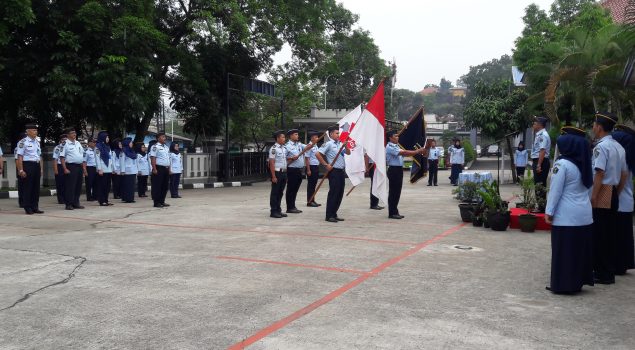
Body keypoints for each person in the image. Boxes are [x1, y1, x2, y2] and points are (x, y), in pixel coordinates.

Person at [544, 126, 594, 294]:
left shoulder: (562, 164)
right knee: (577, 252)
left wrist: (549, 212)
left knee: (563, 251)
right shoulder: (585, 164)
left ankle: (563, 285)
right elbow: (589, 189)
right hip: (584, 215)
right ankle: (576, 282)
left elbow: (555, 191)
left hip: (565, 216)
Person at [591, 112, 627, 285]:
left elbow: (599, 173)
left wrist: (594, 196)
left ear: (599, 127)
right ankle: (608, 271)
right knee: (610, 234)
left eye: (594, 124)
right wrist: (616, 192)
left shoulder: (601, 147)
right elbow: (624, 174)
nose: (593, 127)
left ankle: (602, 273)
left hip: (602, 191)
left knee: (599, 234)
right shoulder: (619, 147)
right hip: (612, 191)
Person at [386, 130, 428, 219]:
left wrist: (418, 151)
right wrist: (417, 151)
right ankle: (392, 212)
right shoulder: (390, 146)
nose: (398, 137)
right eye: (395, 136)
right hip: (393, 170)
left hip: (398, 170)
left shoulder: (396, 146)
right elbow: (404, 153)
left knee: (397, 192)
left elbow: (405, 153)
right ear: (390, 138)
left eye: (398, 136)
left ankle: (394, 211)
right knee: (393, 192)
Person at [611, 125, 635, 276]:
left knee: (617, 237)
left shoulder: (622, 158)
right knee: (625, 236)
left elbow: (621, 179)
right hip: (627, 202)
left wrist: (614, 195)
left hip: (620, 201)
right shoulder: (629, 157)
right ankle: (624, 264)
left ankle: (618, 265)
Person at [316, 125, 351, 223]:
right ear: (331, 134)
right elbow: (318, 154)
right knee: (334, 193)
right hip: (334, 171)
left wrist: (346, 146)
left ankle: (334, 214)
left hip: (341, 172)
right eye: (336, 133)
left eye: (338, 133)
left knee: (339, 193)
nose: (338, 135)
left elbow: (348, 153)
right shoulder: (329, 144)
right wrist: (325, 164)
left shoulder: (340, 144)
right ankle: (329, 215)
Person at [16, 124, 43, 215]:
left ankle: (35, 206)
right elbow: (20, 156)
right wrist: (21, 170)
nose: (36, 132)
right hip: (28, 165)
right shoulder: (23, 142)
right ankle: (27, 207)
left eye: (36, 130)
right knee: (28, 187)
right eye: (33, 130)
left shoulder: (37, 142)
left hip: (36, 165)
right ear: (27, 132)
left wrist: (41, 168)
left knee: (36, 188)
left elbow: (39, 156)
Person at [284, 129, 314, 213]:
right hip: (292, 170)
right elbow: (283, 158)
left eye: (297, 134)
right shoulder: (287, 146)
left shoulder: (299, 144)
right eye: (296, 134)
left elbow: (308, 147)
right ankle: (289, 207)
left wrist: (313, 141)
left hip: (299, 170)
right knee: (291, 189)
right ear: (291, 136)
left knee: (295, 189)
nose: (297, 136)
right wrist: (291, 158)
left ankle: (293, 206)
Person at [60, 128, 85, 210]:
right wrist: (65, 168)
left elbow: (81, 154)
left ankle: (76, 202)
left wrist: (83, 167)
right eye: (72, 133)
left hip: (79, 166)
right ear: (68, 135)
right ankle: (69, 204)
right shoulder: (65, 144)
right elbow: (62, 157)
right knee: (70, 186)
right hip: (71, 166)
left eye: (75, 133)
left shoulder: (78, 143)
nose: (74, 134)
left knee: (78, 185)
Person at [269, 130, 288, 218]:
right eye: (283, 137)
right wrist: (273, 176)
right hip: (277, 173)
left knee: (280, 192)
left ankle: (278, 210)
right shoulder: (273, 149)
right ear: (277, 138)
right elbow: (271, 163)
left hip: (284, 172)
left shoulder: (283, 148)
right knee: (275, 193)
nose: (284, 139)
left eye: (284, 137)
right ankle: (273, 211)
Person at [532, 116, 552, 202]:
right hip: (540, 160)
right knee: (538, 184)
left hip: (541, 161)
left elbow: (542, 150)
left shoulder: (543, 135)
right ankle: (540, 205)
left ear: (540, 125)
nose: (533, 125)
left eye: (535, 123)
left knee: (540, 184)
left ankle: (541, 207)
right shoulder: (540, 135)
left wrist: (539, 165)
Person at [150, 132, 171, 208]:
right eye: (163, 137)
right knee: (157, 186)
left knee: (165, 186)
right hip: (159, 168)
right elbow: (153, 158)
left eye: (165, 137)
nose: (164, 138)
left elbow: (168, 159)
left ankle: (162, 201)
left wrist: (169, 169)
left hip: (166, 168)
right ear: (158, 138)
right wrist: (154, 168)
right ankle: (156, 202)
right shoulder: (155, 147)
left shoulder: (166, 147)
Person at [95, 131, 114, 206]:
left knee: (107, 186)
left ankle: (106, 200)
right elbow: (97, 158)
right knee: (101, 186)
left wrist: (112, 168)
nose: (108, 138)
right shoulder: (98, 147)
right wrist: (99, 169)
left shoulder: (108, 146)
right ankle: (101, 200)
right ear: (103, 137)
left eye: (108, 137)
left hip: (108, 169)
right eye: (107, 137)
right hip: (102, 169)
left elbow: (110, 158)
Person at [305, 131, 322, 207]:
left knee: (314, 185)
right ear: (312, 138)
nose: (317, 138)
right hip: (311, 167)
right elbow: (307, 158)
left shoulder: (315, 146)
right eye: (316, 137)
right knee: (311, 185)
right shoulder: (309, 146)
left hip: (315, 166)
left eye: (317, 137)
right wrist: (308, 170)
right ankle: (309, 201)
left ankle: (313, 200)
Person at [120, 137, 138, 203]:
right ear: (127, 143)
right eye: (130, 142)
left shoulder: (132, 151)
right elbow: (122, 162)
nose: (132, 143)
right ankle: (127, 198)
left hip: (133, 170)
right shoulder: (123, 151)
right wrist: (122, 171)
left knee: (131, 186)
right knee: (127, 186)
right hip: (127, 171)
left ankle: (130, 198)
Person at [52, 134, 67, 204]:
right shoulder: (57, 148)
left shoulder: (68, 147)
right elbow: (55, 159)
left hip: (67, 166)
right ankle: (61, 199)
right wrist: (56, 170)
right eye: (63, 140)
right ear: (60, 141)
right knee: (60, 184)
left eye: (65, 139)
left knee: (66, 183)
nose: (64, 141)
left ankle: (66, 198)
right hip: (59, 166)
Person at [83, 137, 97, 201]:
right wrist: (85, 171)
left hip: (95, 168)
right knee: (89, 183)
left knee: (95, 183)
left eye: (95, 142)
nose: (94, 143)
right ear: (89, 143)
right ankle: (89, 197)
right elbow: (84, 162)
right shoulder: (86, 151)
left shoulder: (96, 150)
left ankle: (95, 196)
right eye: (93, 142)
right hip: (89, 168)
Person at [14, 133, 26, 208]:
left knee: (27, 186)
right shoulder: (18, 147)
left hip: (27, 166)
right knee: (21, 186)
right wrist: (19, 170)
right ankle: (22, 202)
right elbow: (17, 159)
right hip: (20, 167)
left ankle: (27, 201)